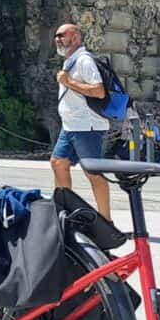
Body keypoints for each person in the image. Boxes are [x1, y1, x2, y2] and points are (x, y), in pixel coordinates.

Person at [51, 23, 112, 220]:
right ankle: (63, 213)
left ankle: (106, 219)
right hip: (70, 125)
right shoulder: (70, 61)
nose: (58, 39)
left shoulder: (84, 60)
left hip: (87, 126)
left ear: (75, 37)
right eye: (56, 36)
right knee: (58, 163)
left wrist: (68, 82)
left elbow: (99, 90)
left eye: (62, 35)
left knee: (93, 173)